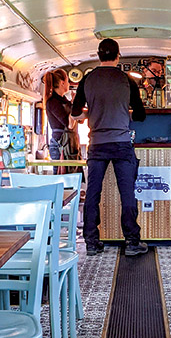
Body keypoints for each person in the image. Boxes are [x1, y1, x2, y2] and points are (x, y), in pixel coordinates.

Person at [71, 38, 148, 256]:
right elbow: (141, 115)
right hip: (122, 144)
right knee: (127, 194)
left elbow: (75, 113)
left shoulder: (87, 79)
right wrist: (124, 112)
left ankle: (92, 243)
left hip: (97, 144)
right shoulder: (127, 80)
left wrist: (91, 113)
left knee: (93, 193)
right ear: (118, 56)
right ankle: (132, 242)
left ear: (98, 55)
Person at [44, 68, 79, 174]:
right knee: (61, 177)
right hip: (60, 144)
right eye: (68, 81)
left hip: (69, 143)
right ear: (62, 83)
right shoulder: (53, 102)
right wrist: (74, 105)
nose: (69, 84)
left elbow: (76, 119)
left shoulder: (64, 101)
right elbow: (68, 123)